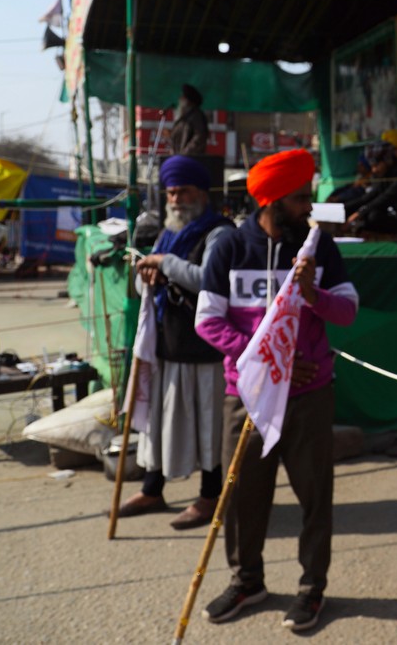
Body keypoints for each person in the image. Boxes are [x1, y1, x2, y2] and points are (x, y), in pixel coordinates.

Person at [195, 148, 359, 632]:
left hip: (310, 398)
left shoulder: (318, 248)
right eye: (299, 198)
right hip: (244, 396)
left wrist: (313, 294)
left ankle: (312, 590)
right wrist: (271, 363)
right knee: (242, 494)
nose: (308, 207)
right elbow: (208, 320)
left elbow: (347, 312)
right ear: (269, 201)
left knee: (315, 496)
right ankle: (247, 581)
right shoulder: (227, 247)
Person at [118, 155, 233, 529]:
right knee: (158, 423)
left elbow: (209, 280)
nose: (175, 198)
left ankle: (210, 495)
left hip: (204, 348)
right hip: (167, 344)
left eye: (182, 190)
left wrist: (165, 263)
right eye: (170, 192)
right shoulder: (167, 232)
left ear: (201, 192)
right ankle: (153, 488)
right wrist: (146, 276)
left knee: (206, 426)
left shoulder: (220, 233)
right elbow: (143, 282)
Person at [170, 84, 209, 157]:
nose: (179, 99)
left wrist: (185, 153)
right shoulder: (182, 119)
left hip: (189, 160)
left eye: (182, 97)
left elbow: (199, 137)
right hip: (178, 159)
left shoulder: (196, 116)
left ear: (188, 101)